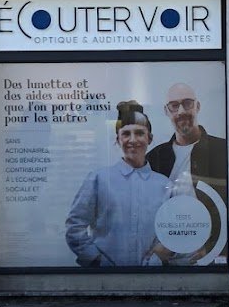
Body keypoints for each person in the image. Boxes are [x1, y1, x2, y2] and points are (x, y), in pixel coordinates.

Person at [64, 100, 169, 267]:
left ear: (149, 138)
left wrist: (154, 262)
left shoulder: (165, 185)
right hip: (104, 278)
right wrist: (98, 262)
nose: (132, 140)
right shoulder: (98, 179)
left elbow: (170, 233)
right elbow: (74, 227)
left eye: (139, 133)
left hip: (152, 277)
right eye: (126, 134)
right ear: (118, 140)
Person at [146, 81, 229, 264]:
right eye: (174, 105)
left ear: (197, 106)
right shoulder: (154, 157)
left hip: (208, 260)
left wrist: (213, 248)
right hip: (163, 263)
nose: (181, 111)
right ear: (167, 111)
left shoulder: (224, 150)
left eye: (187, 103)